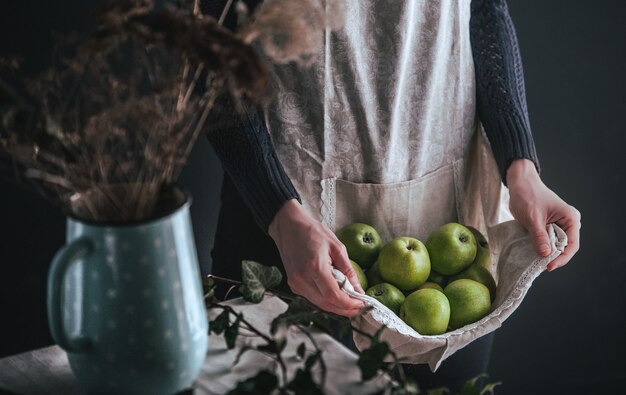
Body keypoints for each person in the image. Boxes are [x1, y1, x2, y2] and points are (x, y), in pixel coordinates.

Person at [205, 0, 581, 389]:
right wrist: (279, 213)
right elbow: (207, 43)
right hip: (282, 214)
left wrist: (521, 166)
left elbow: (485, 10)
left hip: (448, 204)